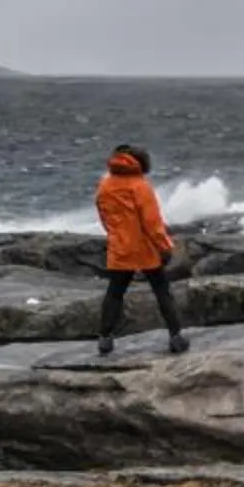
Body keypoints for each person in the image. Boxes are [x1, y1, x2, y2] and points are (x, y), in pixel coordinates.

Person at [93, 143, 188, 355]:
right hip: (145, 247)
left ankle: (105, 338)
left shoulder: (105, 185)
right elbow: (152, 223)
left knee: (115, 293)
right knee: (162, 292)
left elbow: (103, 215)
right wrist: (165, 247)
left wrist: (114, 235)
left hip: (120, 247)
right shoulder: (140, 186)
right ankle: (176, 336)